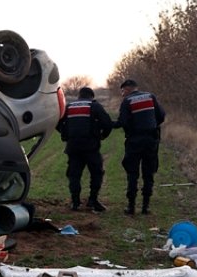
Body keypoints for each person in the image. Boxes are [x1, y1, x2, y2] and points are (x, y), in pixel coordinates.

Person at [55, 86, 113, 212]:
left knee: (74, 175)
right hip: (91, 147)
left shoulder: (69, 107)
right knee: (96, 173)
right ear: (91, 96)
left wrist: (65, 134)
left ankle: (75, 202)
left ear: (79, 96)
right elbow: (107, 123)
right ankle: (93, 201)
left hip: (73, 147)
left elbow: (57, 122)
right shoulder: (95, 106)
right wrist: (102, 136)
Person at [114, 79, 166, 214]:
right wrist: (152, 126)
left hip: (134, 141)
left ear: (127, 89)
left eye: (122, 91)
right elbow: (161, 116)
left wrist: (109, 125)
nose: (122, 94)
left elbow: (122, 121)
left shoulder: (127, 101)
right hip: (151, 140)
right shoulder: (150, 96)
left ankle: (131, 206)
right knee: (148, 173)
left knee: (132, 173)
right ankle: (145, 206)